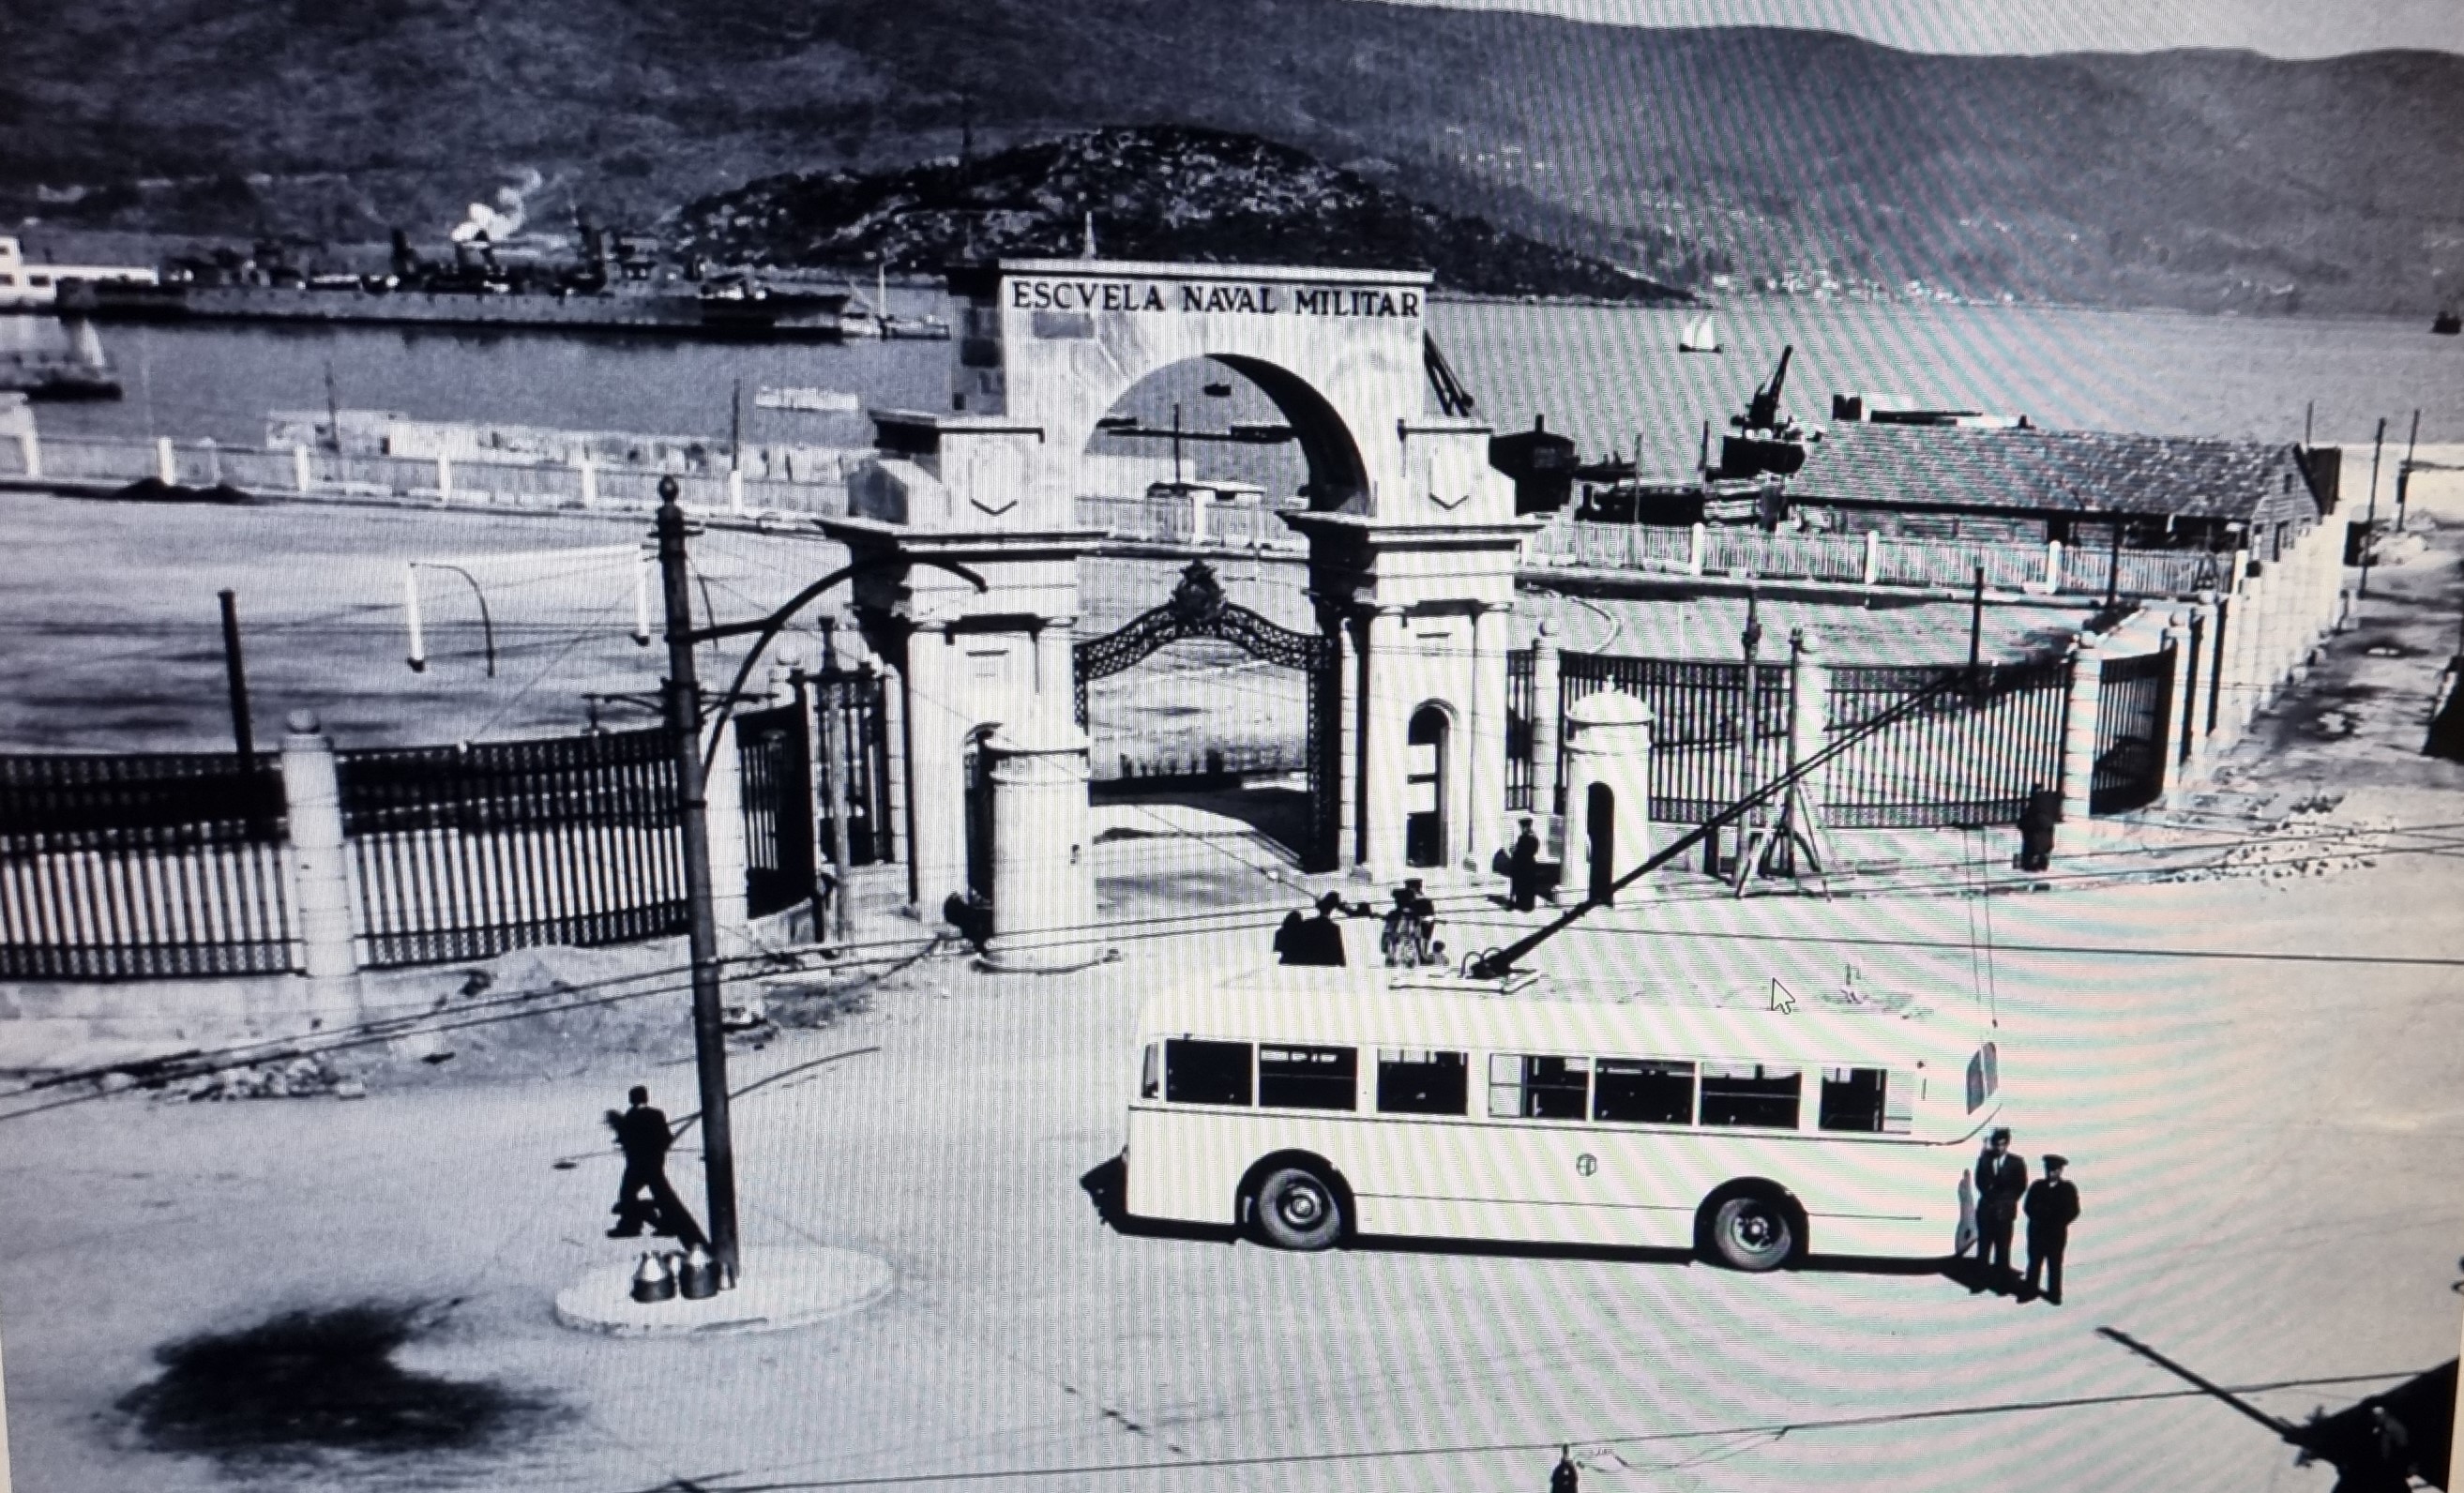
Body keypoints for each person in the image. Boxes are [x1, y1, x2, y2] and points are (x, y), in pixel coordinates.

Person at [607, 1085, 703, 1245]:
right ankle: (667, 1223)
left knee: (628, 1193)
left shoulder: (630, 1117)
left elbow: (627, 1138)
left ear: (631, 1099)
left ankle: (631, 1225)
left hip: (637, 1164)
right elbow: (666, 1138)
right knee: (660, 1194)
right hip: (655, 1163)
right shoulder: (656, 1114)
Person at [1972, 1126, 2027, 1291]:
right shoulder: (1985, 1159)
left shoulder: (2016, 1163)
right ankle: (1980, 1282)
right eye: (1997, 1144)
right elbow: (1979, 1181)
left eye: (2002, 1144)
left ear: (2007, 1144)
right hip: (1986, 1212)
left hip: (2004, 1214)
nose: (1999, 1148)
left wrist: (2006, 1201)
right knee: (1983, 1249)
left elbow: (2021, 1186)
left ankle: (2002, 1284)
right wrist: (1989, 1195)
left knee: (2002, 1250)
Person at [2021, 1154, 2080, 1304]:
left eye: (2054, 1170)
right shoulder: (2037, 1186)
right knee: (2034, 1262)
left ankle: (2054, 1293)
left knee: (2054, 1263)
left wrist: (2057, 1221)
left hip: (2055, 1234)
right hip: (2037, 1232)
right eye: (2048, 1169)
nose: (2050, 1173)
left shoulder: (2068, 1189)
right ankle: (2030, 1290)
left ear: (2060, 1171)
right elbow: (2028, 1207)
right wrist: (2038, 1216)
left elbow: (2073, 1211)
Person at [1508, 817, 1542, 912]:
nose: (1522, 829)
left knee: (1524, 885)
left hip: (1524, 864)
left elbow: (1524, 851)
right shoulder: (1530, 838)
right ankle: (1524, 904)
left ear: (1527, 827)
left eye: (1523, 827)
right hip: (1527, 864)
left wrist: (1515, 851)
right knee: (1524, 885)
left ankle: (1524, 904)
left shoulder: (1526, 838)